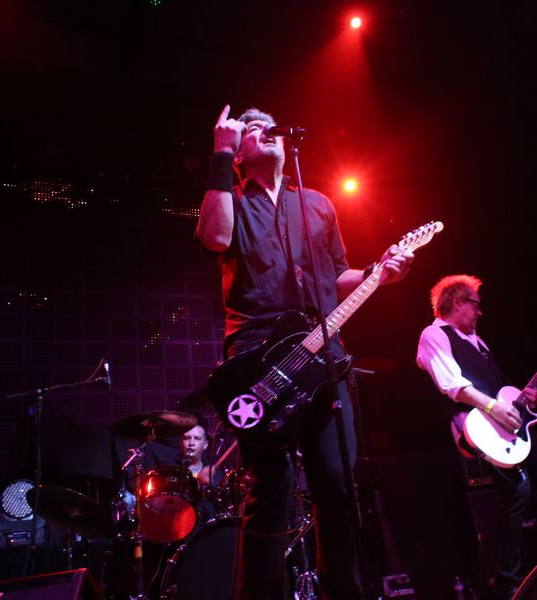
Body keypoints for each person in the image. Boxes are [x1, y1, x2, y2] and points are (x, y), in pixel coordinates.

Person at [195, 105, 414, 600]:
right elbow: (214, 237)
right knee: (269, 487)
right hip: (258, 356)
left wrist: (377, 272)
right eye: (253, 129)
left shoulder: (317, 203)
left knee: (337, 483)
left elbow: (336, 276)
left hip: (322, 355)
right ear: (240, 153)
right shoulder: (230, 197)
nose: (266, 132)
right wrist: (220, 152)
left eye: (269, 125)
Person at [415, 274, 537, 600]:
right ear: (457, 303)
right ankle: (506, 584)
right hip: (479, 426)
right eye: (476, 305)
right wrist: (493, 407)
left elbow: (498, 390)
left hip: (510, 424)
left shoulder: (478, 341)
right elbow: (452, 385)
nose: (480, 312)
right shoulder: (434, 334)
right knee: (518, 490)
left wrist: (522, 399)